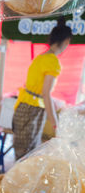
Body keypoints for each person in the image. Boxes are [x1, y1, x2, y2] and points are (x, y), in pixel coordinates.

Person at [12, 17, 72, 160]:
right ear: (67, 41)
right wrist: (55, 124)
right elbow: (46, 94)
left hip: (23, 107)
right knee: (26, 157)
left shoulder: (41, 57)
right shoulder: (52, 61)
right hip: (31, 111)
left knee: (23, 156)